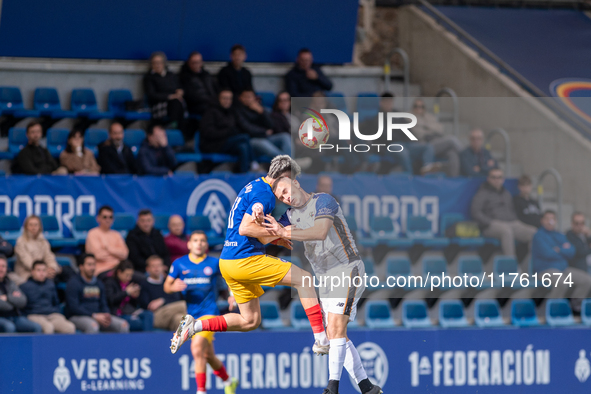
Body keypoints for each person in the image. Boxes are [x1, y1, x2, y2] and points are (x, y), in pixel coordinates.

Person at [169, 156, 330, 358]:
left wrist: (272, 239)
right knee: (304, 279)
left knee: (250, 321)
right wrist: (278, 233)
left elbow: (251, 229)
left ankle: (195, 326)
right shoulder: (266, 195)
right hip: (244, 260)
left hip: (228, 262)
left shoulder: (255, 186)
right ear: (283, 176)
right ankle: (322, 339)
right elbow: (246, 228)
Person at [265, 176, 382, 394]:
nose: (286, 196)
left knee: (336, 329)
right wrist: (257, 218)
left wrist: (284, 233)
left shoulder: (324, 201)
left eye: (286, 190)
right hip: (325, 278)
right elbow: (265, 235)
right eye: (281, 196)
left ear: (296, 183)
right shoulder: (289, 216)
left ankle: (332, 388)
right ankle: (367, 387)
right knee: (337, 334)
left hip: (347, 268)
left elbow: (319, 232)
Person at [164, 231, 239, 394]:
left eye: (203, 240)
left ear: (206, 244)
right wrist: (172, 287)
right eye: (195, 240)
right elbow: (166, 286)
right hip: (191, 314)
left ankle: (201, 391)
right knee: (208, 355)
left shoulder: (214, 263)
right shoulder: (179, 264)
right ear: (189, 244)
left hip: (209, 313)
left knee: (197, 349)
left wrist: (232, 295)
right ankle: (228, 380)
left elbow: (230, 278)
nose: (199, 243)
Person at [532, 210, 591, 312]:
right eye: (547, 219)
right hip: (545, 270)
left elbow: (572, 251)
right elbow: (548, 253)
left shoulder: (559, 235)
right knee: (562, 282)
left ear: (556, 221)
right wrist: (563, 250)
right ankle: (552, 310)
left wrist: (557, 249)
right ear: (542, 221)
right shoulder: (538, 235)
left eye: (552, 219)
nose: (550, 221)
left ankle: (575, 307)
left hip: (563, 269)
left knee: (586, 280)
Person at [470, 168, 537, 257]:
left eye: (499, 177)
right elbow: (475, 211)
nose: (497, 180)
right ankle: (511, 266)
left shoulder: (506, 193)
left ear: (503, 179)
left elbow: (511, 209)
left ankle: (532, 265)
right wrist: (488, 222)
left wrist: (514, 219)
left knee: (534, 233)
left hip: (511, 222)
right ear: (488, 179)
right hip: (492, 225)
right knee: (506, 231)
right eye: (494, 177)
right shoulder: (482, 193)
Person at [65, 253, 129, 333]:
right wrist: (93, 315)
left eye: (94, 265)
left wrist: (106, 314)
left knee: (123, 325)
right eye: (89, 265)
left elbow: (103, 303)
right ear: (81, 267)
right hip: (78, 317)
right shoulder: (73, 283)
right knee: (93, 326)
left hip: (98, 316)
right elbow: (74, 307)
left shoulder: (99, 283)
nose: (92, 268)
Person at [200, 90, 254, 173]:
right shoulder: (210, 112)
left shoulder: (232, 112)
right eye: (224, 98)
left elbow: (242, 126)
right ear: (218, 99)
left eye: (229, 99)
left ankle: (243, 174)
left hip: (228, 143)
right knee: (244, 137)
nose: (227, 101)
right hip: (213, 145)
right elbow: (208, 133)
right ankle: (253, 163)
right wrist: (228, 132)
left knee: (243, 147)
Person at [19, 260, 75, 334]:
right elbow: (22, 306)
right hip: (34, 315)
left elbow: (56, 302)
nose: (41, 273)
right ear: (32, 271)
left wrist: (56, 312)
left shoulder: (50, 284)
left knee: (70, 327)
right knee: (48, 327)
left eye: (44, 270)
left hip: (52, 315)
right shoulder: (24, 286)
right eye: (38, 270)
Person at [411, 98, 462, 177]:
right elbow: (418, 133)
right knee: (451, 140)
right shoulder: (409, 117)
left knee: (452, 153)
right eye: (416, 106)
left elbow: (440, 129)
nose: (419, 108)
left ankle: (454, 179)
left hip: (437, 141)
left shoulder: (429, 116)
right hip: (426, 145)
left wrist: (425, 126)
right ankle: (467, 158)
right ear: (413, 107)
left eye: (421, 106)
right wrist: (431, 128)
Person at [236, 89, 291, 157]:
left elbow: (271, 124)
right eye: (245, 96)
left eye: (250, 96)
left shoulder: (258, 109)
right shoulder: (238, 111)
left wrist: (262, 112)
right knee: (264, 143)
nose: (248, 99)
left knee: (285, 136)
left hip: (266, 137)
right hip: (251, 139)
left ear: (254, 98)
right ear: (240, 98)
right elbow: (247, 128)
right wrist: (264, 131)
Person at [140, 255, 186, 331]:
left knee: (180, 319)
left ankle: (182, 342)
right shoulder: (144, 284)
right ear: (147, 269)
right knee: (184, 305)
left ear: (163, 267)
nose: (156, 268)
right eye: (153, 266)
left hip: (172, 313)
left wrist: (162, 300)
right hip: (155, 316)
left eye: (158, 265)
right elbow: (146, 305)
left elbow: (176, 299)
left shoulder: (168, 282)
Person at [104, 260, 153, 331]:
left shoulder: (130, 283)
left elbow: (134, 304)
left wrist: (135, 297)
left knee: (148, 314)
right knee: (138, 323)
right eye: (127, 275)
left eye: (131, 275)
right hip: (117, 314)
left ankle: (148, 340)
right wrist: (126, 292)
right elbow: (111, 300)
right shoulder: (109, 282)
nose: (129, 278)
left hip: (130, 311)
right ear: (119, 272)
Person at [12, 215, 61, 285]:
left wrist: (52, 268)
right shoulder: (21, 242)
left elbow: (49, 256)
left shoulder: (43, 241)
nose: (33, 227)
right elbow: (27, 262)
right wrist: (43, 271)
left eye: (36, 225)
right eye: (31, 225)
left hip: (42, 271)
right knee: (49, 282)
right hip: (27, 274)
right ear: (26, 227)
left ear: (39, 227)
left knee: (65, 272)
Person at [0, 255, 42, 333]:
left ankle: (32, 346)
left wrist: (7, 298)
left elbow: (23, 301)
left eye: (3, 266)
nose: (1, 269)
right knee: (9, 327)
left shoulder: (10, 282)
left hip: (15, 317)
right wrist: (13, 300)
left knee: (36, 327)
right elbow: (3, 305)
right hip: (1, 317)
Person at [143, 51, 185, 129]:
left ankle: (177, 126)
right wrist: (169, 96)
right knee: (175, 102)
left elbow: (179, 86)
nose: (158, 65)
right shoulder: (149, 77)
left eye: (159, 62)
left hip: (175, 101)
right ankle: (175, 125)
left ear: (164, 63)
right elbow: (151, 95)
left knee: (177, 102)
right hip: (159, 104)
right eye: (155, 63)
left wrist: (180, 91)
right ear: (151, 64)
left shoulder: (171, 75)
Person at [85, 205, 129, 276]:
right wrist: (116, 256)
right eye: (105, 217)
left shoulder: (116, 234)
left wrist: (108, 248)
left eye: (110, 217)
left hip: (119, 269)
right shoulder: (93, 233)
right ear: (98, 218)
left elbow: (124, 254)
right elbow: (97, 255)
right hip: (102, 270)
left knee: (140, 279)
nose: (108, 220)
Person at [179, 51, 217, 117]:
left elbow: (216, 89)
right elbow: (190, 96)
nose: (196, 65)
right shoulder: (184, 77)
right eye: (194, 63)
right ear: (189, 63)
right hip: (196, 106)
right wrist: (210, 100)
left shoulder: (207, 75)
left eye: (198, 62)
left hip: (211, 102)